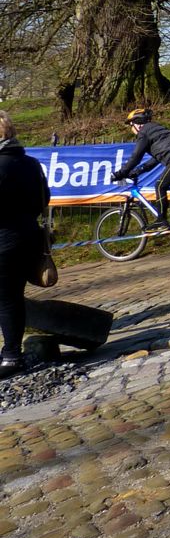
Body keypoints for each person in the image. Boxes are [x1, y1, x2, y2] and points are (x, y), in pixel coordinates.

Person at [0, 110, 50, 379]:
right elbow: (45, 197)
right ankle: (11, 351)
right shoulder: (30, 162)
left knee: (6, 300)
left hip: (4, 241)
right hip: (28, 236)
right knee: (11, 298)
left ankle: (11, 356)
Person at [114, 108, 170, 230]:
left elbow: (135, 157)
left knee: (160, 185)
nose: (131, 128)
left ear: (137, 124)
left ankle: (161, 220)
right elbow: (156, 159)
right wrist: (139, 170)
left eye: (130, 124)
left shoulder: (143, 133)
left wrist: (121, 173)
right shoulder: (157, 129)